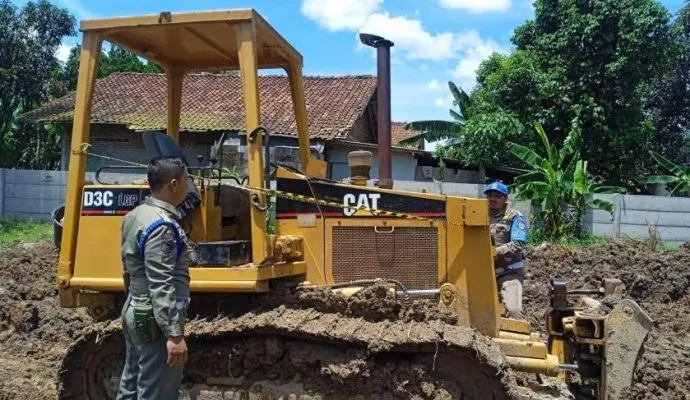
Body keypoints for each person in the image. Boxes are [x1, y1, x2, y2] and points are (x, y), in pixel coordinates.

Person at [116, 156, 192, 400]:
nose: (189, 185)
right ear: (173, 184)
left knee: (131, 384)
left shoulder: (136, 215)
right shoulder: (162, 227)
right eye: (187, 180)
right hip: (154, 317)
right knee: (157, 390)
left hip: (136, 306)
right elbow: (161, 281)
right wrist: (174, 335)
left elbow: (128, 269)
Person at [484, 181, 528, 321]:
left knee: (513, 311)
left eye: (497, 196)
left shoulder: (514, 217)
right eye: (490, 195)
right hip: (482, 273)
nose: (492, 199)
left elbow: (518, 243)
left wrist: (494, 252)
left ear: (505, 198)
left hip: (508, 272)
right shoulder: (478, 214)